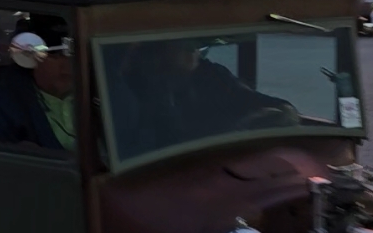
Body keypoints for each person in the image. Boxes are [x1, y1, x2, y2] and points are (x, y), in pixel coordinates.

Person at [110, 36, 298, 159]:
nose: (195, 50)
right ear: (159, 48)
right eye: (186, 44)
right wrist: (234, 134)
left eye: (198, 45)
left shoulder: (211, 75)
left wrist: (282, 111)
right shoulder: (133, 90)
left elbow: (252, 100)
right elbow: (158, 147)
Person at [0, 16, 76, 151]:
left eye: (73, 55)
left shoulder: (102, 91)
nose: (67, 65)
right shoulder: (3, 108)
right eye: (55, 56)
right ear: (28, 58)